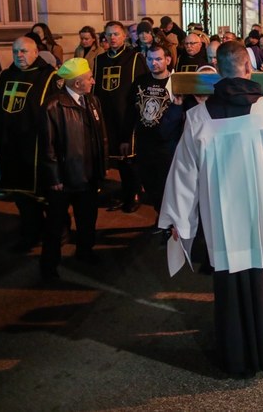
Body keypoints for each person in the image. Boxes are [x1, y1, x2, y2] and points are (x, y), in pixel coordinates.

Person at [158, 41, 263, 376]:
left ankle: (240, 354)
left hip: (225, 226)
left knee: (234, 288)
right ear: (248, 68)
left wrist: (178, 219)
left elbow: (184, 173)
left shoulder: (198, 117)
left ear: (218, 69)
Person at [38, 58, 108, 279]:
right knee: (55, 225)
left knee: (87, 218)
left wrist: (101, 168)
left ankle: (85, 252)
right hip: (65, 179)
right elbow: (47, 145)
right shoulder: (53, 106)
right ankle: (49, 266)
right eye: (89, 78)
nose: (93, 81)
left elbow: (101, 137)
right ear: (77, 83)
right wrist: (54, 177)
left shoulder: (93, 101)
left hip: (88, 175)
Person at [0, 36, 60, 251]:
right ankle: (31, 232)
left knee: (48, 196)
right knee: (22, 196)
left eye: (24, 51)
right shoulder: (4, 77)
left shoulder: (48, 77)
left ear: (36, 52)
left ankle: (59, 228)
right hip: (12, 147)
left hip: (38, 148)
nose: (19, 56)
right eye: (15, 52)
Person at [120, 45, 184, 215]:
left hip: (167, 144)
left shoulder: (176, 82)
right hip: (144, 143)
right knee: (149, 183)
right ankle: (160, 213)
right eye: (150, 59)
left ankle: (168, 221)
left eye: (158, 59)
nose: (153, 63)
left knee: (167, 184)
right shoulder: (140, 82)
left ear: (168, 60)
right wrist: (126, 138)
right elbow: (130, 111)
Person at [92, 20, 149, 213]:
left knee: (129, 158)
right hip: (107, 116)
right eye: (108, 35)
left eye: (116, 34)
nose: (112, 38)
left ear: (124, 36)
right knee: (116, 157)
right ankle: (125, 191)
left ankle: (134, 192)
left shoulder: (135, 58)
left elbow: (142, 89)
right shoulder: (99, 60)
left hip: (127, 115)